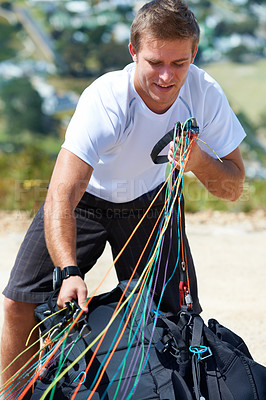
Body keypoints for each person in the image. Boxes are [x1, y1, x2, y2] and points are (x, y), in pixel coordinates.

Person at [1, 0, 246, 395]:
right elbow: (61, 194)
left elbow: (234, 188)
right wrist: (68, 272)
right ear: (133, 52)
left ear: (193, 55)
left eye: (179, 63)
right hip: (86, 202)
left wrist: (200, 160)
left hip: (150, 201)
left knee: (173, 317)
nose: (167, 76)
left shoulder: (204, 92)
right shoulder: (106, 100)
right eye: (155, 62)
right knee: (19, 303)